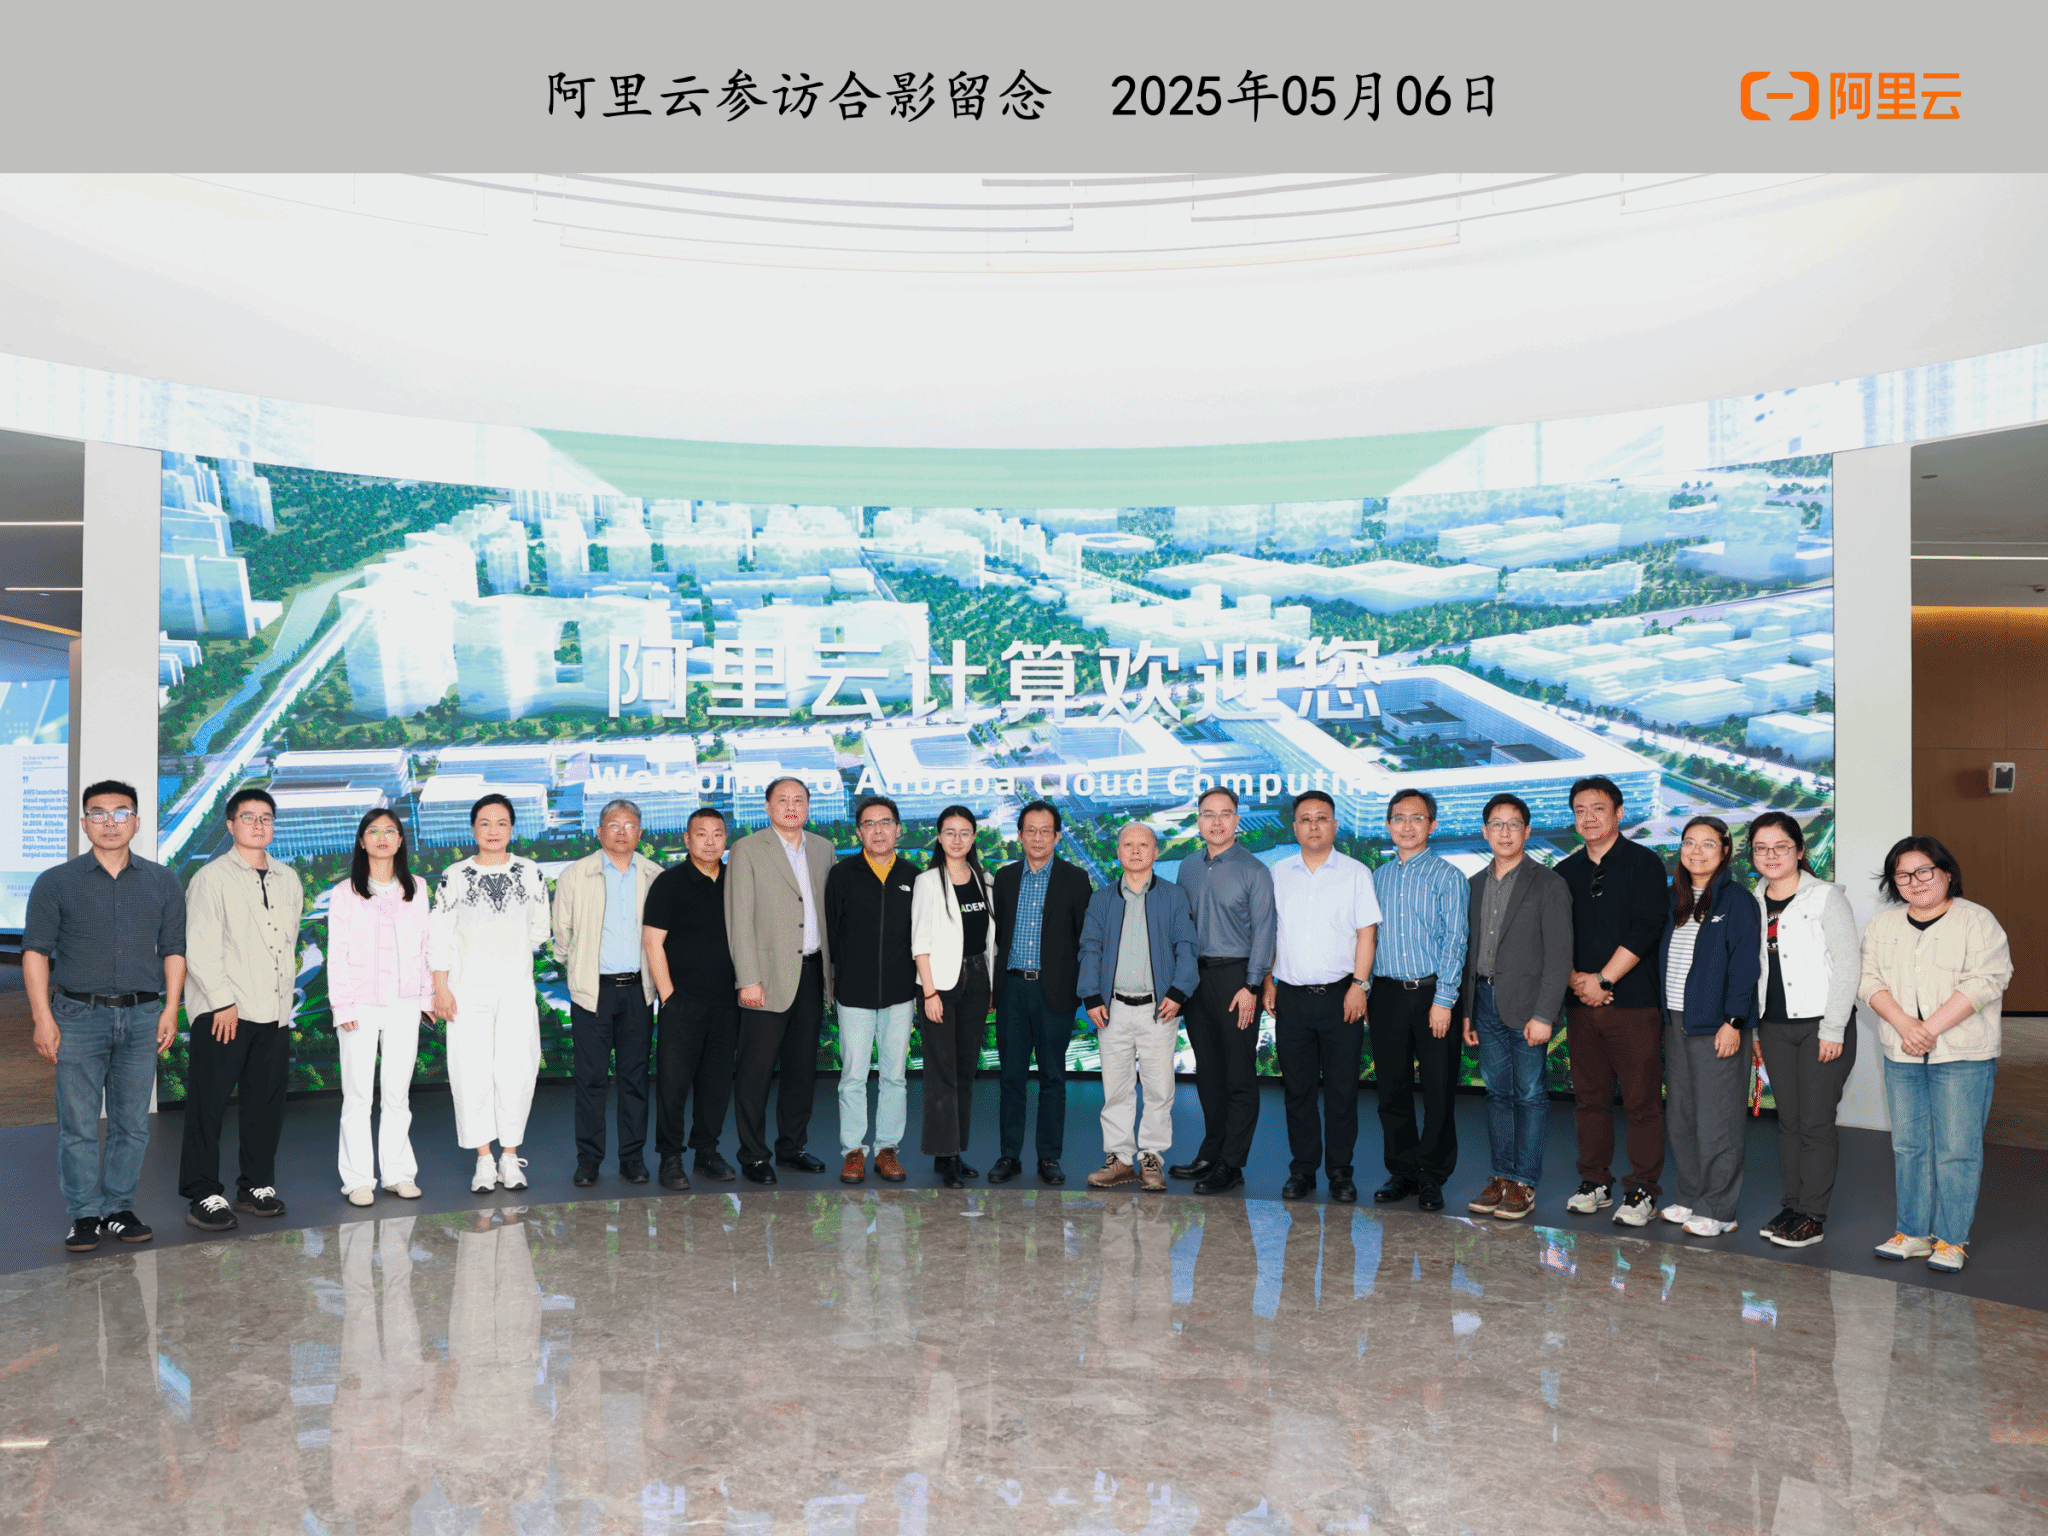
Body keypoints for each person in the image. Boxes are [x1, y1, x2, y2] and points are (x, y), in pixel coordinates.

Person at [23, 779, 187, 1253]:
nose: (109, 822)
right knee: (77, 1125)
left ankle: (118, 1208)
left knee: (131, 1123)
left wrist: (170, 1008)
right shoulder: (55, 882)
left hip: (142, 1015)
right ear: (84, 822)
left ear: (136, 822)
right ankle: (83, 1215)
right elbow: (35, 952)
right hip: (77, 1016)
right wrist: (42, 1018)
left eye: (120, 813)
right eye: (98, 813)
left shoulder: (163, 881)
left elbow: (174, 950)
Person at [1860, 836, 2013, 1274]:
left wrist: (1927, 1029)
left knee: (1957, 1149)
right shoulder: (1883, 925)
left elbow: (1987, 980)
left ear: (1946, 872)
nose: (1915, 881)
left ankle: (1951, 1239)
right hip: (1901, 1052)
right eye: (1903, 875)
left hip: (1963, 1053)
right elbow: (1868, 980)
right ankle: (1912, 1232)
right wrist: (1906, 1026)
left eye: (1924, 871)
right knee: (1908, 1145)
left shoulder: (1976, 920)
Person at [179, 786, 306, 1232]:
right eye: (248, 817)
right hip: (225, 1012)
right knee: (209, 1106)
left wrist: (284, 1005)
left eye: (266, 817)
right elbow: (200, 947)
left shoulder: (288, 878)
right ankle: (202, 1193)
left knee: (265, 1105)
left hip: (273, 1010)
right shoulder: (210, 878)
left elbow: (286, 943)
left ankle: (255, 1186)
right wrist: (221, 1002)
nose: (258, 824)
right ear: (231, 824)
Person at [1554, 775, 1670, 1228]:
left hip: (1634, 1004)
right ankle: (1594, 1181)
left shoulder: (1644, 862)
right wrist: (1579, 983)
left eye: (1598, 808)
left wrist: (1603, 979)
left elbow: (1647, 927)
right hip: (1581, 1005)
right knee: (1589, 1101)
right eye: (1580, 810)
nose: (1588, 817)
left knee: (1642, 1103)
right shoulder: (1564, 871)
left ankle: (1642, 1189)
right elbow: (1556, 936)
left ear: (1619, 813)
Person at [1746, 811, 1860, 1249]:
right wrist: (1755, 1033)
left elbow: (1848, 964)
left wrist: (1834, 1027)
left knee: (1815, 1123)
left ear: (1800, 850)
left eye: (1781, 847)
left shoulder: (1825, 897)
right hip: (1773, 1027)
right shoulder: (1752, 901)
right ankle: (1792, 1206)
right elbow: (1753, 972)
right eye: (1761, 848)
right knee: (1789, 1123)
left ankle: (1813, 1215)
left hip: (1821, 1027)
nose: (1771, 855)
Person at [1458, 793, 1572, 1223]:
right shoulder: (1473, 884)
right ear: (1484, 831)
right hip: (1485, 1004)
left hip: (1528, 1008)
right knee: (1497, 1093)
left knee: (1529, 1094)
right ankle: (1501, 1176)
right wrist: (1468, 1012)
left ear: (1527, 831)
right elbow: (1468, 953)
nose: (1504, 832)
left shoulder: (1548, 884)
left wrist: (1544, 1015)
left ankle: (1524, 1182)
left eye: (1513, 824)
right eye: (1496, 824)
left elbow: (1559, 955)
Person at [430, 792, 551, 1197]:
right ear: (473, 829)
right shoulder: (454, 875)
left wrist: (506, 952)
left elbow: (540, 930)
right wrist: (441, 989)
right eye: (485, 823)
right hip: (466, 990)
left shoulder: (530, 872)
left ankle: (509, 1156)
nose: (493, 830)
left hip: (515, 988)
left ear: (512, 829)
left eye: (501, 823)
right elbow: (440, 936)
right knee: (470, 1073)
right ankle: (483, 1158)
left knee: (517, 1070)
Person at [1264, 791, 1380, 1203]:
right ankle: (1302, 1170)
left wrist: (1359, 986)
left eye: (1322, 817)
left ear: (1334, 825)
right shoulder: (1277, 874)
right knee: (1297, 1091)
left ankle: (1340, 1173)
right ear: (1295, 827)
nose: (1314, 825)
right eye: (1306, 819)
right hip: (1291, 999)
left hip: (1341, 998)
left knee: (1342, 1092)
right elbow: (1270, 933)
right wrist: (1268, 981)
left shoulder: (1356, 873)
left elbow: (1367, 934)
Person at [724, 776, 836, 1184]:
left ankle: (792, 1147)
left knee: (801, 1070)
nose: (791, 807)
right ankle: (754, 1155)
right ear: (768, 807)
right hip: (765, 978)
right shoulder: (747, 849)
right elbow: (738, 919)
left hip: (812, 973)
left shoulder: (823, 848)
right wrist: (747, 979)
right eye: (783, 800)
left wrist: (832, 976)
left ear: (808, 806)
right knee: (755, 1072)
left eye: (799, 800)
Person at [1077, 822, 1198, 1192]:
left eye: (1143, 845)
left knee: (1159, 1089)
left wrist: (1178, 992)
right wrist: (1090, 996)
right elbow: (1090, 948)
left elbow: (1187, 947)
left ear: (1155, 852)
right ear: (1118, 852)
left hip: (1158, 1009)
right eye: (1127, 844)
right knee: (1116, 1089)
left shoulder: (1174, 896)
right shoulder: (1101, 899)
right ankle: (1118, 1159)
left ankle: (1151, 1159)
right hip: (1112, 1009)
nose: (1134, 851)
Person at [1655, 816, 1761, 1238]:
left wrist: (1734, 1021)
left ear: (1725, 850)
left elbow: (1745, 966)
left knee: (1719, 1119)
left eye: (1708, 844)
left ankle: (1719, 1209)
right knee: (1682, 1116)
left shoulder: (1737, 900)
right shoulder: (1674, 898)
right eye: (1689, 842)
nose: (1696, 851)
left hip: (1717, 1024)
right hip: (1676, 1020)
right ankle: (1689, 1195)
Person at [1170, 785, 1276, 1197]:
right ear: (1198, 820)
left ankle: (1232, 1164)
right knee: (1209, 1074)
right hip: (1196, 980)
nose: (1216, 822)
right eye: (1208, 814)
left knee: (1238, 1076)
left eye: (1225, 814)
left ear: (1236, 820)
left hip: (1237, 980)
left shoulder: (1254, 870)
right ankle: (1211, 1152)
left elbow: (1265, 932)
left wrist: (1252, 985)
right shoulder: (1187, 866)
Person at [552, 798, 663, 1188]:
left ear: (640, 832)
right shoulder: (575, 874)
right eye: (613, 824)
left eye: (629, 825)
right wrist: (580, 970)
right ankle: (588, 1161)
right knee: (591, 1080)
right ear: (599, 832)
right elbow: (561, 936)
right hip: (592, 993)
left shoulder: (654, 875)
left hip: (637, 992)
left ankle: (632, 1158)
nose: (621, 832)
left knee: (635, 1079)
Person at [1366, 789, 1468, 1212]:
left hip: (1433, 995)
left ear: (1432, 824)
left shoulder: (1449, 877)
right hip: (1386, 994)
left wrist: (1444, 1000)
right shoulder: (1377, 877)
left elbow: (1455, 941)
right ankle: (1402, 1171)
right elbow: (1367, 939)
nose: (1407, 826)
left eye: (1417, 818)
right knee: (1391, 1089)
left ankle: (1432, 1175)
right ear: (1388, 825)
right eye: (1399, 818)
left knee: (1438, 1090)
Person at [325, 808, 431, 1206]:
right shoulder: (345, 892)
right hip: (359, 1004)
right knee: (357, 1095)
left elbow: (426, 944)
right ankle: (357, 1180)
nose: (382, 837)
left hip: (404, 1003)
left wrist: (426, 998)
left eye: (390, 831)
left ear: (400, 841)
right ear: (361, 840)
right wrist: (343, 1006)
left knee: (398, 1094)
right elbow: (337, 953)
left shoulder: (417, 887)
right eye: (373, 830)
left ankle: (398, 1174)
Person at [990, 799, 1093, 1188]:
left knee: (1053, 1077)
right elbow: (996, 937)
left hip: (1055, 992)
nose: (1037, 837)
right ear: (1019, 835)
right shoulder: (1004, 878)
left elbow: (1086, 941)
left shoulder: (1075, 879)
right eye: (1030, 830)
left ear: (1057, 836)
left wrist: (1083, 990)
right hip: (1012, 989)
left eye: (1045, 830)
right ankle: (1009, 1155)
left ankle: (1049, 1156)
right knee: (1011, 1077)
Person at [825, 795, 920, 1185]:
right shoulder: (842, 874)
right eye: (869, 824)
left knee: (895, 1076)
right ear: (858, 832)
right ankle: (853, 1151)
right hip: (853, 993)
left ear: (898, 830)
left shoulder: (915, 876)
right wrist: (834, 982)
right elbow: (831, 933)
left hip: (900, 993)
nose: (878, 830)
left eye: (885, 823)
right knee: (853, 1076)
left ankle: (887, 1149)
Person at [643, 807, 740, 1190]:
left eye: (717, 834)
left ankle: (706, 1153)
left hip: (728, 1003)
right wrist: (669, 997)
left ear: (725, 839)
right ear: (687, 839)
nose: (710, 841)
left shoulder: (736, 881)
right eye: (702, 834)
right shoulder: (669, 883)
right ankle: (670, 1158)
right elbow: (653, 943)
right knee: (674, 1085)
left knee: (716, 1084)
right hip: (682, 1003)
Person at [912, 805, 997, 1188]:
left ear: (974, 837)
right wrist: (930, 992)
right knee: (942, 1071)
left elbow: (989, 939)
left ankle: (954, 1150)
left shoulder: (986, 880)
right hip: (941, 985)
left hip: (978, 979)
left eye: (964, 832)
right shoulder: (928, 881)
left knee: (965, 1070)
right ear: (939, 836)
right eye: (950, 832)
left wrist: (989, 986)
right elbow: (919, 942)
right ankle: (944, 1156)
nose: (957, 839)